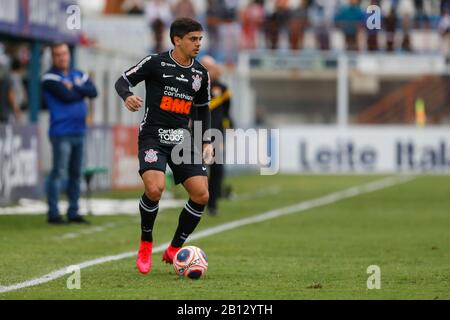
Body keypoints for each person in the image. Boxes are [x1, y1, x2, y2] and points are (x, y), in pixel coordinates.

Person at [115, 18, 213, 274]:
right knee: (155, 189)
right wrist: (127, 96)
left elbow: (203, 111)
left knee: (202, 194)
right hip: (154, 137)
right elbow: (122, 80)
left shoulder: (201, 73)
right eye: (193, 39)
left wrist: (206, 141)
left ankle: (174, 248)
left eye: (200, 39)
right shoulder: (155, 63)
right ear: (177, 40)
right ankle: (146, 242)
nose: (198, 44)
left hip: (183, 140)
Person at [42, 43, 98, 224]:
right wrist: (80, 90)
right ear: (53, 57)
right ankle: (53, 213)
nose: (62, 57)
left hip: (79, 130)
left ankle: (73, 211)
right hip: (61, 131)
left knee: (76, 173)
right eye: (58, 54)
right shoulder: (49, 78)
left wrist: (73, 86)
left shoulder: (77, 74)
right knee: (58, 172)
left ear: (69, 55)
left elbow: (94, 91)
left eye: (64, 53)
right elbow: (66, 97)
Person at [200, 56, 233, 216]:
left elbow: (226, 113)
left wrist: (228, 129)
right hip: (198, 133)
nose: (209, 70)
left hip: (216, 135)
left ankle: (213, 205)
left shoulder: (223, 89)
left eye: (211, 67)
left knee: (217, 169)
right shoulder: (195, 87)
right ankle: (199, 201)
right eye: (205, 67)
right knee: (199, 170)